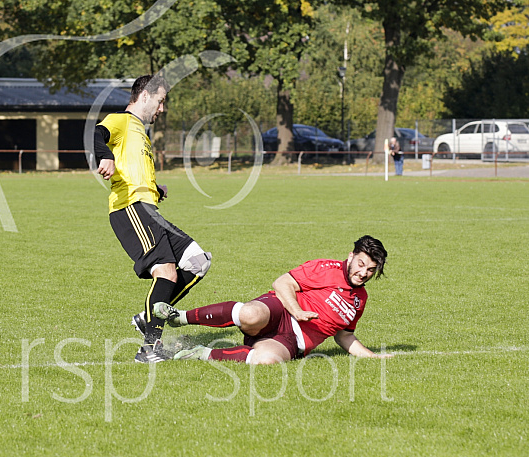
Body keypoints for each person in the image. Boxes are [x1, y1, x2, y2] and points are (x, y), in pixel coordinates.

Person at [93, 74, 212, 363]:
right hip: (130, 208)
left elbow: (131, 168)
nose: (162, 109)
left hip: (147, 208)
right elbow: (97, 134)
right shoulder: (121, 120)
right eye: (160, 101)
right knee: (167, 272)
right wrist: (104, 156)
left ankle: (149, 317)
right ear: (144, 96)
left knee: (199, 261)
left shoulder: (140, 132)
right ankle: (149, 349)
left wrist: (154, 188)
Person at [153, 235, 391, 364]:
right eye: (361, 264)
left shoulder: (360, 299)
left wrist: (372, 356)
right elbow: (282, 283)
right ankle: (180, 317)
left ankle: (198, 353)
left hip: (292, 341)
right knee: (250, 314)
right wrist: (297, 311)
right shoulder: (326, 268)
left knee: (266, 361)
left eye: (370, 270)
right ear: (351, 257)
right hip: (280, 312)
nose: (363, 273)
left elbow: (344, 335)